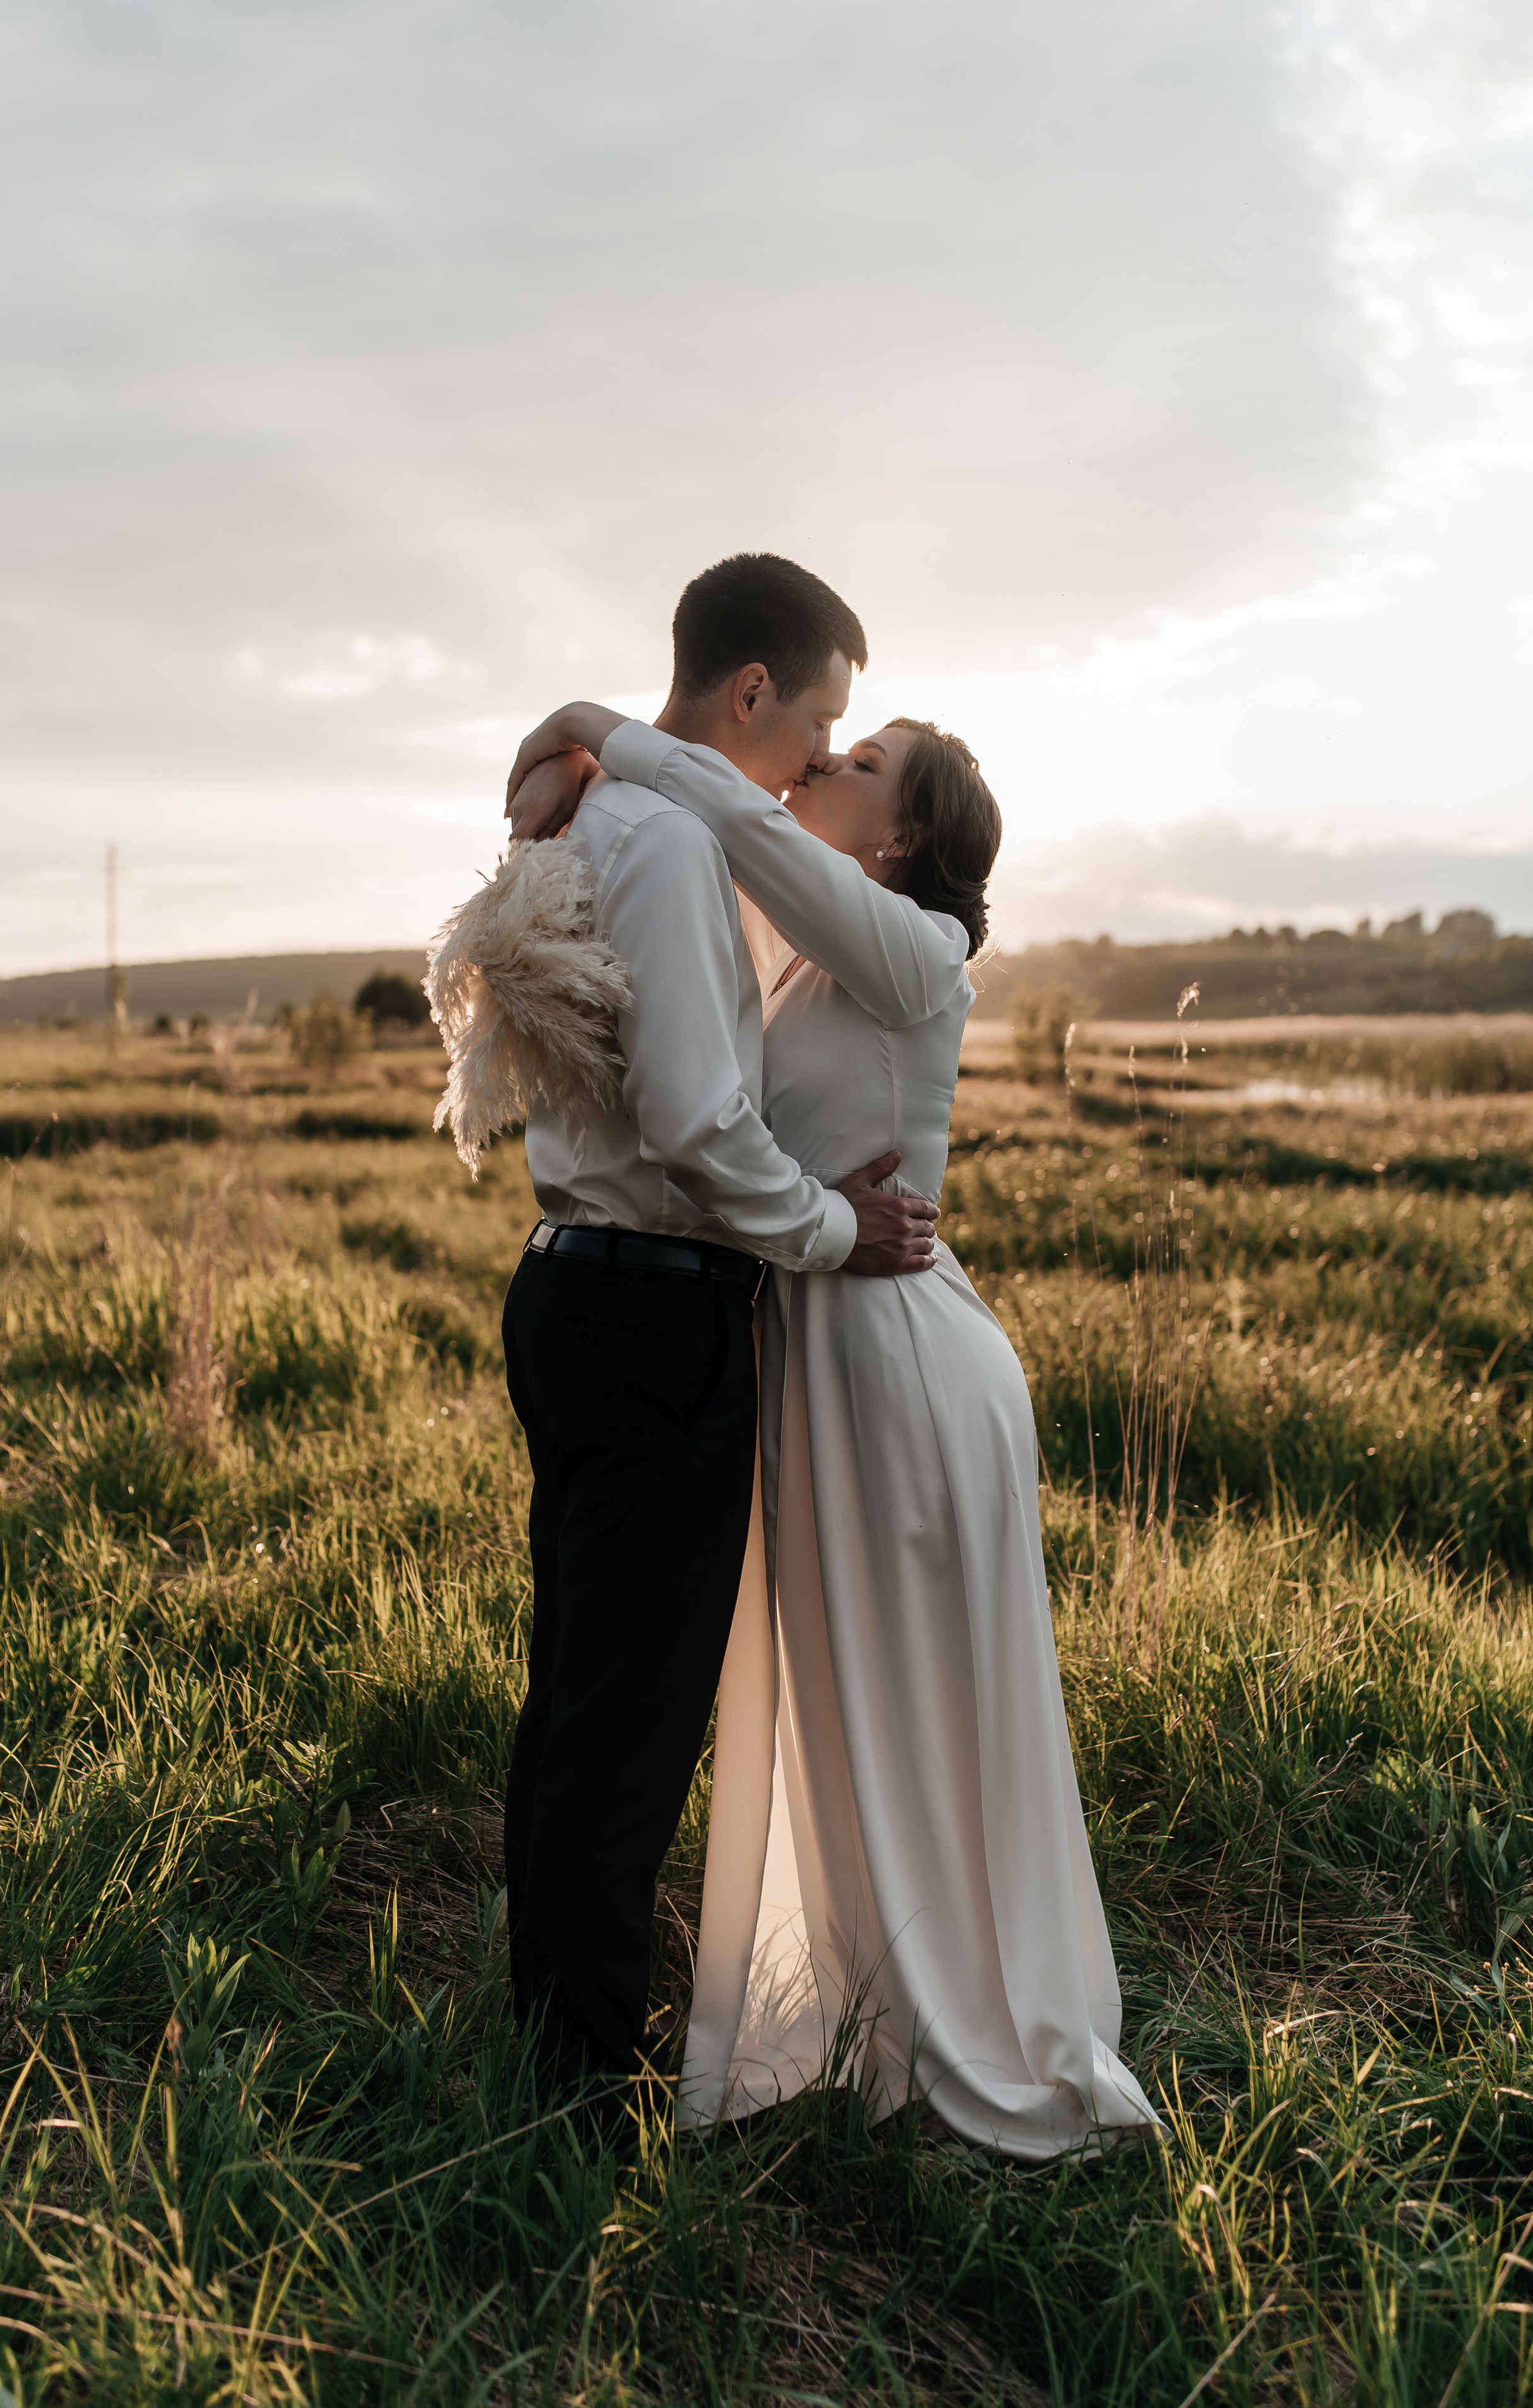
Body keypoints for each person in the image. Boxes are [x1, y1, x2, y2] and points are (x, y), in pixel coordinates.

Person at [506, 699, 1161, 2157]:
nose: (822, 765)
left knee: (911, 1703)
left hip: (896, 1365)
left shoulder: (911, 949)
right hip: (812, 1342)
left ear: (905, 836)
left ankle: (962, 2030)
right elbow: (653, 858)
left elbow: (732, 814)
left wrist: (613, 724)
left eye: (859, 766)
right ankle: (877, 2009)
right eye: (829, 738)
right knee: (835, 1701)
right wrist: (569, 772)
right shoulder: (807, 942)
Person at [497, 554, 939, 2117]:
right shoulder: (674, 842)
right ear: (749, 692)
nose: (815, 760)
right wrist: (831, 1227)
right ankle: (574, 2091)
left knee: (574, 1683)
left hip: (567, 1285)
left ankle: (538, 2021)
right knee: (631, 1714)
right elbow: (696, 1118)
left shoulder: (582, 809)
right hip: (652, 1310)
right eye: (814, 722)